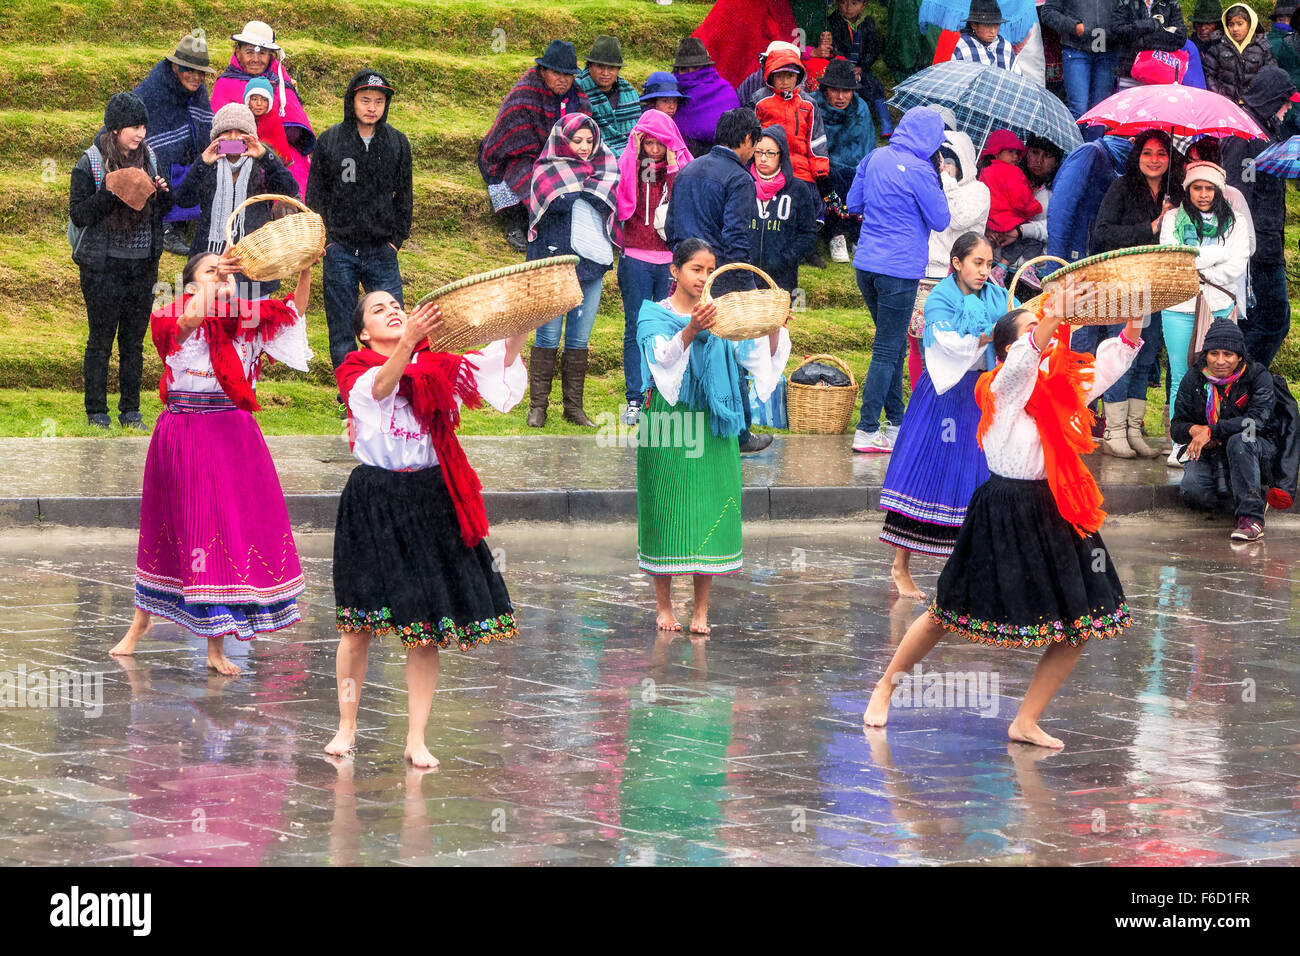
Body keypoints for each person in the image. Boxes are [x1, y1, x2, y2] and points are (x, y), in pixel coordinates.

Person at [864, 282, 1145, 748]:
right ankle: (885, 686)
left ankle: (1026, 720)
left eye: (1049, 330)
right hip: (1002, 510)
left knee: (1081, 621)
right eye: (1036, 331)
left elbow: (1108, 366)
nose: (1049, 337)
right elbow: (1022, 364)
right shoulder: (999, 388)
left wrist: (1133, 321)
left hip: (1056, 509)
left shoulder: (1060, 386)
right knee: (944, 613)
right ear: (1009, 348)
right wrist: (1052, 315)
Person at [326, 292, 528, 766]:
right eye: (378, 310)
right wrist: (409, 343)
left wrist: (522, 321)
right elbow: (379, 389)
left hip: (431, 497)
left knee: (426, 629)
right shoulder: (354, 369)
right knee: (358, 627)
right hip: (373, 499)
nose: (393, 310)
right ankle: (346, 725)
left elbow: (499, 368)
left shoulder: (439, 366)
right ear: (362, 332)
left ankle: (416, 737)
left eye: (397, 304)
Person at [110, 250, 315, 674]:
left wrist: (306, 267)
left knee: (220, 532)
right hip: (183, 435)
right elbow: (189, 322)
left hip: (233, 437)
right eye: (210, 272)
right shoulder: (170, 316)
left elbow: (295, 311)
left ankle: (216, 647)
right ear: (189, 287)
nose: (222, 279)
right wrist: (210, 284)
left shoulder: (248, 321)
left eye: (227, 276)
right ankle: (140, 623)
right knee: (172, 530)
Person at [635, 239, 790, 633]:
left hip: (715, 421)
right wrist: (692, 328)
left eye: (709, 270)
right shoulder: (652, 315)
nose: (703, 277)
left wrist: (774, 328)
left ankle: (701, 609)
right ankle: (664, 606)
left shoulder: (723, 317)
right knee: (665, 506)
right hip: (669, 423)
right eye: (695, 269)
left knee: (710, 509)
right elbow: (661, 361)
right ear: (674, 271)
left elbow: (760, 358)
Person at [880, 234, 1007, 598]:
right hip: (944, 393)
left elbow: (1018, 329)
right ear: (956, 263)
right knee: (926, 474)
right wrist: (991, 335)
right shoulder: (941, 298)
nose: (984, 270)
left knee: (979, 478)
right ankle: (900, 565)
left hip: (982, 393)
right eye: (976, 263)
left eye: (988, 263)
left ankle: (973, 570)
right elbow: (946, 343)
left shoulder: (999, 296)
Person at [666, 108, 773, 454]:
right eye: (754, 146)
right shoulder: (740, 179)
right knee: (728, 355)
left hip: (683, 275)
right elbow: (737, 239)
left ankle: (688, 427)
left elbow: (670, 227)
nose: (754, 155)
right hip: (718, 280)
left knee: (686, 349)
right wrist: (747, 288)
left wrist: (685, 268)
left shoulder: (689, 168)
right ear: (745, 140)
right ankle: (739, 432)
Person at [849, 106, 950, 455]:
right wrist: (937, 179)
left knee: (888, 344)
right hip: (900, 269)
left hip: (867, 265)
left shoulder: (874, 157)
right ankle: (866, 428)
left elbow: (853, 202)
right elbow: (940, 219)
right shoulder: (923, 171)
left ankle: (895, 420)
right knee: (887, 349)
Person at [70, 91, 174, 430]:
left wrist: (161, 193)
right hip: (102, 266)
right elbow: (80, 215)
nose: (140, 133)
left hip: (142, 265)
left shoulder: (150, 158)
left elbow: (160, 214)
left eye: (143, 126)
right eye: (133, 127)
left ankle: (131, 412)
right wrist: (112, 192)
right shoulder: (90, 163)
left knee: (133, 342)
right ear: (115, 129)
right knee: (100, 339)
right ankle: (96, 412)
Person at [306, 70, 413, 371]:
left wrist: (395, 241)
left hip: (382, 251)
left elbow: (404, 196)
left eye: (379, 101)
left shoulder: (397, 144)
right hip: (339, 251)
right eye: (365, 100)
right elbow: (316, 197)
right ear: (351, 101)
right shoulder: (329, 141)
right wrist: (326, 241)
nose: (371, 107)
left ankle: (392, 389)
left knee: (393, 326)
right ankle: (347, 397)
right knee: (341, 329)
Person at [1091, 128, 1182, 458]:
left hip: (1157, 284)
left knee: (1145, 356)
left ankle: (1133, 428)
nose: (1154, 159)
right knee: (1122, 354)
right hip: (1125, 283)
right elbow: (1102, 232)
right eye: (1147, 153)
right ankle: (1114, 431)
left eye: (1161, 153)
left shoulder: (1175, 194)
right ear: (1137, 156)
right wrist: (1152, 228)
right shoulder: (1122, 187)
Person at [525, 114, 618, 429]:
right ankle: (538, 407)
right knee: (548, 333)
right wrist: (582, 192)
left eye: (589, 141)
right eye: (576, 140)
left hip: (591, 265)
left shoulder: (606, 167)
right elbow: (557, 205)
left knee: (579, 338)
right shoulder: (545, 169)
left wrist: (582, 192)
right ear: (563, 140)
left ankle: (573, 408)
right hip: (554, 263)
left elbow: (606, 204)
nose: (583, 147)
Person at [1159, 162, 1250, 467]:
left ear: (1219, 191)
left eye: (1209, 188)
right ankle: (1179, 442)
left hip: (1220, 306)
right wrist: (1217, 255)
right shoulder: (1172, 219)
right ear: (1187, 189)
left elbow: (1236, 266)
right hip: (1180, 306)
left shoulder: (1235, 221)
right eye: (1197, 187)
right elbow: (1174, 262)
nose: (1203, 194)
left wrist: (1196, 261)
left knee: (1218, 376)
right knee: (1181, 375)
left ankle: (1215, 438)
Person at [616, 109, 693, 427]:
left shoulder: (679, 169)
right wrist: (634, 154)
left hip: (668, 263)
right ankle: (634, 398)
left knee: (665, 329)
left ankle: (658, 395)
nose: (655, 149)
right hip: (634, 258)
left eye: (662, 143)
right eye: (650, 142)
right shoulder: (632, 165)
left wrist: (673, 166)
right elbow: (625, 195)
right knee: (635, 327)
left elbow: (682, 200)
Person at [174, 102, 298, 300]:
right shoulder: (208, 165)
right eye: (226, 132)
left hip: (253, 258)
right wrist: (202, 163)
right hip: (210, 257)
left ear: (251, 135)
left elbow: (290, 189)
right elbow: (184, 200)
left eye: (240, 131)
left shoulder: (262, 164)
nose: (233, 137)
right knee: (209, 321)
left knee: (251, 323)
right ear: (216, 136)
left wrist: (266, 156)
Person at [479, 41, 591, 253]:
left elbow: (585, 132)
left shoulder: (577, 97)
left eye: (568, 75)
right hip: (518, 155)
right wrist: (546, 162)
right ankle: (516, 224)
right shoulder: (524, 94)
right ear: (543, 71)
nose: (563, 79)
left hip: (565, 158)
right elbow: (508, 139)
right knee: (528, 177)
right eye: (556, 73)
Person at [1171, 319, 1275, 542]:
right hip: (1212, 453)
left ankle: (1251, 518)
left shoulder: (1257, 377)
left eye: (1227, 354)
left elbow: (1256, 422)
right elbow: (1176, 427)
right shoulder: (1194, 378)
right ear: (1205, 354)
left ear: (1239, 356)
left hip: (1255, 450)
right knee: (1192, 491)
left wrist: (1213, 430)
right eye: (1214, 353)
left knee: (1240, 440)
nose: (1220, 361)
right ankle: (1250, 499)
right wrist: (1193, 430)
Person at [1221, 65, 1296, 368]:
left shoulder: (1263, 129)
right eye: (1285, 100)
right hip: (1256, 249)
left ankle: (1243, 383)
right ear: (1271, 98)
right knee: (1274, 320)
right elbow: (1236, 195)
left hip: (1267, 242)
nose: (1289, 108)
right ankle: (1243, 379)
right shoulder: (1244, 135)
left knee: (1261, 322)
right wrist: (1244, 247)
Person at [912, 130, 989, 387]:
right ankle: (921, 402)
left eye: (951, 163)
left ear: (964, 162)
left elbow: (956, 218)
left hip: (960, 281)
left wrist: (947, 182)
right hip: (925, 274)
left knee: (954, 348)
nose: (944, 167)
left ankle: (953, 404)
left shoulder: (979, 191)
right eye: (939, 161)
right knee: (920, 344)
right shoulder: (930, 187)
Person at [129, 29, 215, 257]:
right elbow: (127, 120)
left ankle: (183, 223)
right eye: (190, 70)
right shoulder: (154, 90)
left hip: (186, 160)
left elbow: (205, 125)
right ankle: (165, 226)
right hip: (153, 161)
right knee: (162, 157)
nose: (196, 77)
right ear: (176, 67)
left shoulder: (197, 92)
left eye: (201, 72)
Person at [210, 21, 315, 180]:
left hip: (280, 152)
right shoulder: (225, 84)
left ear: (270, 56)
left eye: (262, 53)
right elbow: (218, 140)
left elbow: (298, 133)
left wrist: (277, 134)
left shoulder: (279, 81)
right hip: (234, 152)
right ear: (237, 52)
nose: (255, 59)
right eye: (249, 52)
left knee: (294, 179)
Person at [810, 60, 875, 263]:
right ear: (825, 89)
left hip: (853, 165)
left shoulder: (860, 108)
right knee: (833, 177)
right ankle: (835, 234)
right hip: (823, 165)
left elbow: (868, 146)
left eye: (846, 91)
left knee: (860, 178)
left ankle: (857, 233)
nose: (840, 97)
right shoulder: (813, 106)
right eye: (835, 90)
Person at [745, 124, 819, 293]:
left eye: (770, 153)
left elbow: (808, 234)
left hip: (783, 278)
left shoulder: (798, 189)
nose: (763, 158)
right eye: (758, 152)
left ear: (781, 155)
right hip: (745, 276)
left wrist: (786, 257)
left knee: (780, 319)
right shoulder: (741, 184)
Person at [1041, 0, 1120, 132]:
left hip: (1108, 52)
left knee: (1099, 112)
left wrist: (1115, 29)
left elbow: (1127, 10)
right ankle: (1074, 151)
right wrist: (1074, 27)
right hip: (1076, 49)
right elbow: (1048, 13)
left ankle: (1093, 151)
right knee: (1079, 109)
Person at [978, 130, 1042, 278]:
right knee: (1032, 239)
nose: (1016, 157)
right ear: (997, 153)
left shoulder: (985, 170)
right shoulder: (1013, 172)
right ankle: (1022, 268)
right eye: (1011, 152)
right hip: (1008, 221)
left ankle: (999, 268)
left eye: (1017, 153)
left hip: (991, 221)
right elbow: (1021, 199)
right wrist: (1035, 206)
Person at [825, 0, 894, 136]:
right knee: (842, 91)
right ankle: (844, 123)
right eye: (843, 2)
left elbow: (873, 49)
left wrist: (862, 66)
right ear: (838, 3)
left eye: (854, 3)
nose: (848, 7)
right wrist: (846, 68)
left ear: (864, 5)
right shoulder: (833, 22)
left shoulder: (867, 22)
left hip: (860, 68)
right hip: (840, 68)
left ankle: (885, 122)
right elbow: (835, 48)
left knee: (874, 86)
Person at [671, 37, 741, 158]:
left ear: (705, 68)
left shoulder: (723, 91)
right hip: (679, 160)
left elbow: (735, 133)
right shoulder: (671, 94)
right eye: (684, 69)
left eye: (696, 68)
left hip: (721, 160)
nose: (690, 74)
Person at [243, 76, 307, 199]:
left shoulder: (273, 122)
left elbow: (278, 151)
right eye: (254, 99)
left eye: (264, 99)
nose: (259, 104)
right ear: (247, 101)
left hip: (269, 171)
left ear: (270, 102)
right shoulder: (242, 118)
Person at [575, 36, 640, 157]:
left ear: (618, 69)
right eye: (600, 67)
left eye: (611, 68)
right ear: (590, 66)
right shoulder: (577, 90)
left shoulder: (630, 94)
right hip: (589, 155)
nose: (605, 73)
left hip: (629, 156)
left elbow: (637, 135)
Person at [1204, 4, 1278, 105]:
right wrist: (1220, 96)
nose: (1235, 29)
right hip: (1224, 104)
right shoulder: (1217, 47)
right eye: (1231, 24)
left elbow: (1271, 76)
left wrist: (1258, 97)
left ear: (1250, 24)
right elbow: (1209, 76)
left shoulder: (1261, 47)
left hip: (1254, 105)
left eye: (1240, 24)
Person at [1113, 0, 1188, 87]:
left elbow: (1180, 37)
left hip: (1161, 77)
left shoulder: (1170, 2)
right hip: (1129, 76)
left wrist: (1144, 40)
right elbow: (1117, 32)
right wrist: (1148, 24)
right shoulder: (1125, 2)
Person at [952, 0, 1018, 69]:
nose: (993, 31)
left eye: (996, 25)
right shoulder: (962, 45)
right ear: (974, 25)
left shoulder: (1005, 46)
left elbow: (1016, 76)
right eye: (988, 25)